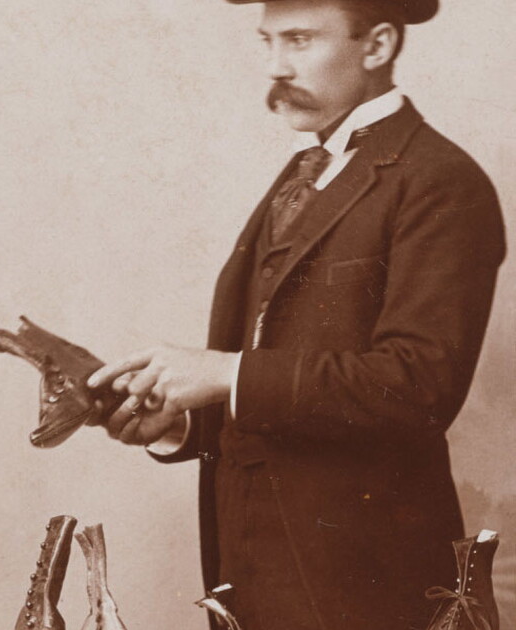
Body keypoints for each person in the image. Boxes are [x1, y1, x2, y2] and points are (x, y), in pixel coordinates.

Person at [86, 0, 505, 628]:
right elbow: (279, 381)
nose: (275, 65)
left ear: (378, 45)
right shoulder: (307, 169)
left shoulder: (441, 180)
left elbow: (417, 386)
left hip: (365, 589)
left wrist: (226, 374)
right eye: (268, 41)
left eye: (300, 40)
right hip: (256, 581)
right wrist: (176, 422)